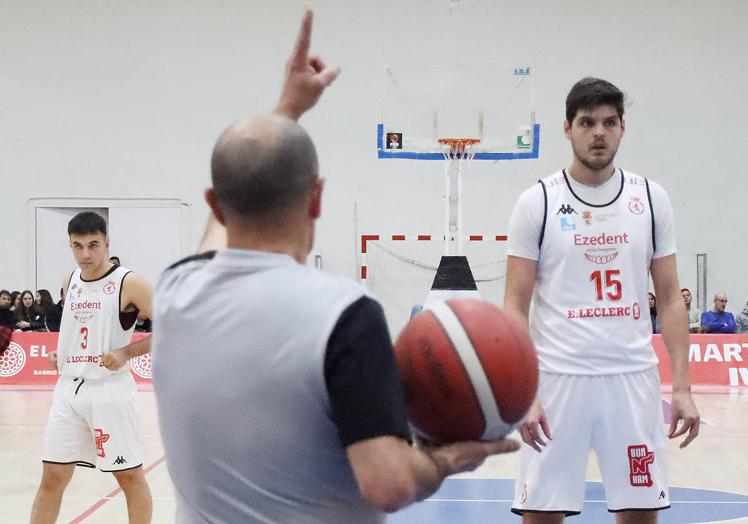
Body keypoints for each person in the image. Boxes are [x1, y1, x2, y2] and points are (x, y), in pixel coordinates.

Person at [151, 8, 517, 524]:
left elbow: (218, 235)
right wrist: (442, 460)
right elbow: (388, 483)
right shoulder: (344, 315)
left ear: (214, 204)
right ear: (317, 197)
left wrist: (286, 108)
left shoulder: (174, 291)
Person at [504, 77, 700, 523]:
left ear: (622, 129)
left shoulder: (650, 199)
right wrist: (523, 392)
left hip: (631, 379)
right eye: (587, 122)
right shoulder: (537, 203)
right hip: (557, 381)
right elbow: (514, 305)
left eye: (609, 122)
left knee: (639, 513)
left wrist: (683, 388)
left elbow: (669, 299)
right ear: (567, 128)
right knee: (541, 517)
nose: (598, 132)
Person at [29, 212, 154, 524]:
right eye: (77, 246)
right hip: (68, 391)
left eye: (93, 245)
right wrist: (63, 354)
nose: (85, 254)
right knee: (52, 478)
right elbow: (76, 328)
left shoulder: (129, 282)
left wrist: (127, 352)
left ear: (107, 243)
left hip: (109, 391)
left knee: (129, 477)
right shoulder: (69, 281)